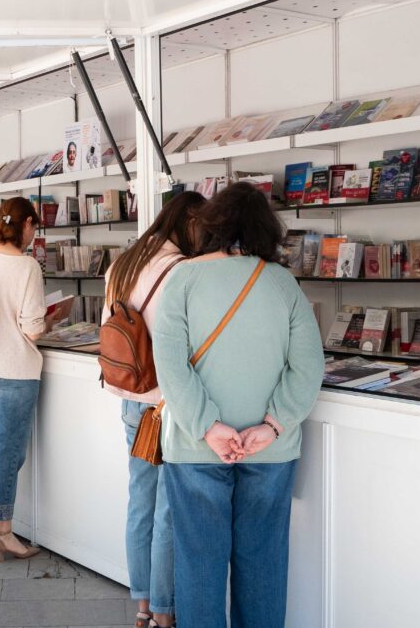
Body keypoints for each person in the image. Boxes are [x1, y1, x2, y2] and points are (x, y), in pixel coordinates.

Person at [152, 182, 325, 628]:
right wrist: (271, 426)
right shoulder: (283, 282)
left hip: (195, 445)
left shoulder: (183, 278)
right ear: (265, 227)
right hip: (268, 447)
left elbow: (169, 365)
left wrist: (208, 426)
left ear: (212, 222)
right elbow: (307, 367)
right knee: (264, 560)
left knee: (199, 563)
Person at [101, 191, 205, 628]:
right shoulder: (182, 269)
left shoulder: (122, 264)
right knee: (167, 510)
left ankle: (142, 606)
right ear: (191, 222)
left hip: (130, 397)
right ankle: (165, 612)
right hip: (168, 403)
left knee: (140, 503)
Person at [0, 197, 67, 563]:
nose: (34, 232)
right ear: (26, 225)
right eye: (34, 226)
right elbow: (33, 329)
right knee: (6, 452)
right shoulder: (27, 268)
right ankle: (3, 534)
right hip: (15, 370)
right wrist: (53, 319)